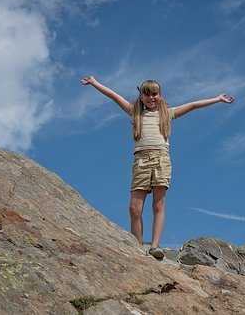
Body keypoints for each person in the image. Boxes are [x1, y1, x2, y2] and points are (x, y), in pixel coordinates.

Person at [80, 76, 235, 259]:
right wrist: (95, 83)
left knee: (158, 204)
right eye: (147, 94)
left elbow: (193, 105)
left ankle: (154, 246)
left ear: (160, 95)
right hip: (141, 161)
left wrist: (217, 99)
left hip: (161, 159)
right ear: (141, 96)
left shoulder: (167, 114)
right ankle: (137, 246)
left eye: (154, 94)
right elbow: (114, 96)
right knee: (134, 208)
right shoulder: (135, 112)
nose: (151, 98)